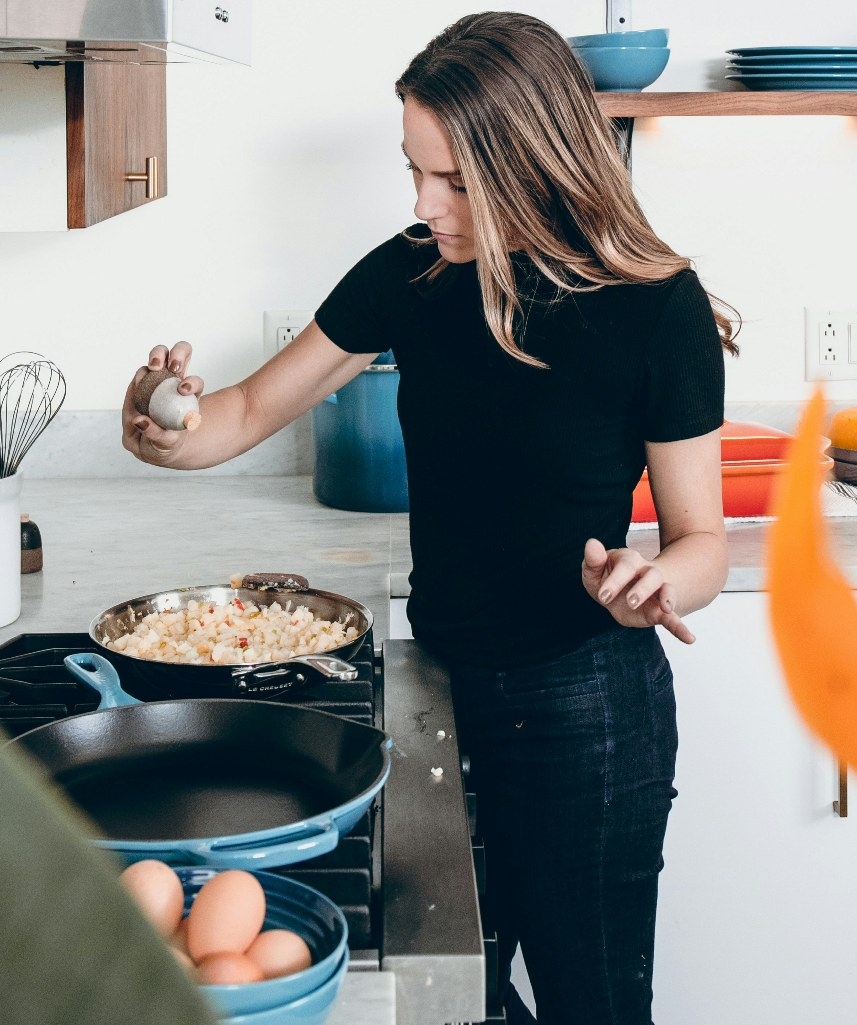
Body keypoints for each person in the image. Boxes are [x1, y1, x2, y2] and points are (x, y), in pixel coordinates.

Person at [122, 12, 739, 1024]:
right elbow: (240, 412)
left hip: (585, 706)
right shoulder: (412, 272)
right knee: (454, 995)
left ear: (533, 161)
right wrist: (163, 423)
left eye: (453, 180)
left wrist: (655, 582)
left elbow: (700, 542)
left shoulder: (655, 306)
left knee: (592, 1001)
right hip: (438, 690)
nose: (422, 203)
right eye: (414, 169)